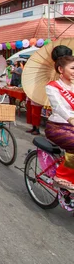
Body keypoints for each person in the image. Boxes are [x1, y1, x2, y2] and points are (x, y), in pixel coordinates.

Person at [45, 48, 74, 192]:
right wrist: (70, 119)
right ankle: (61, 176)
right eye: (73, 68)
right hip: (58, 126)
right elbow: (58, 106)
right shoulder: (52, 87)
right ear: (61, 69)